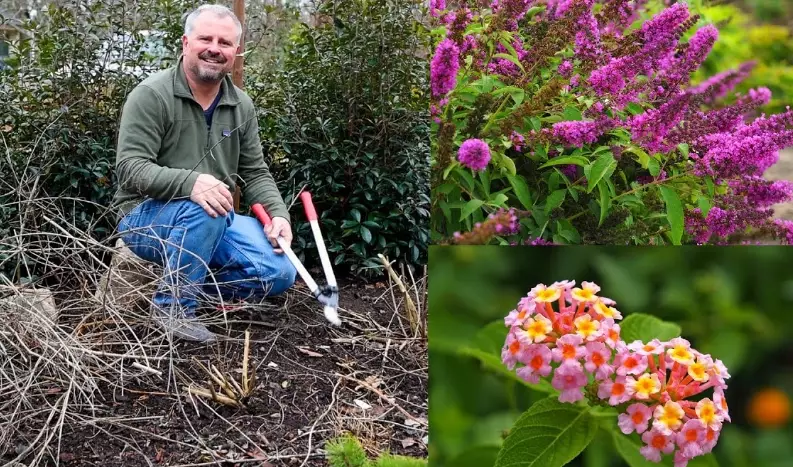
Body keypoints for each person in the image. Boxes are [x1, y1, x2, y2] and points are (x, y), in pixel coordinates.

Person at [112, 4, 296, 343]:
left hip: (213, 217)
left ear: (236, 51)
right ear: (185, 43)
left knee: (280, 272)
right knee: (205, 206)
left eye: (225, 43)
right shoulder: (151, 95)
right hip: (145, 218)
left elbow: (255, 172)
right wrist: (190, 183)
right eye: (205, 38)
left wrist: (278, 215)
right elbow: (129, 169)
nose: (215, 48)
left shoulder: (241, 105)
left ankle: (198, 289)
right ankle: (173, 309)